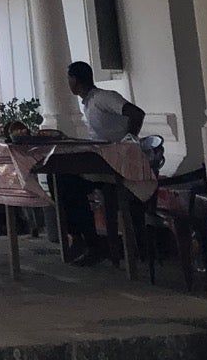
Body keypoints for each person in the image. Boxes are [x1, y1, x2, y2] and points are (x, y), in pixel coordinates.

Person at [57, 61, 146, 263]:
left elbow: (136, 113)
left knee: (68, 183)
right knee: (63, 181)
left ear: (75, 80)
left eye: (69, 78)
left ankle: (92, 242)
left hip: (116, 164)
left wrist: (127, 142)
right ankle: (85, 238)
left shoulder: (104, 98)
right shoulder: (89, 103)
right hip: (102, 163)